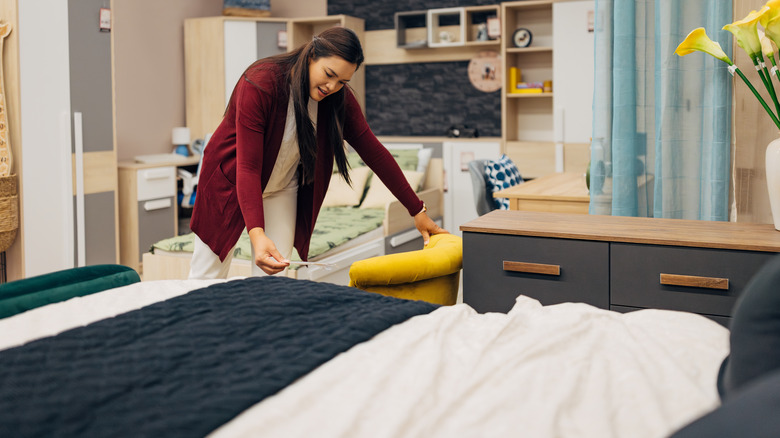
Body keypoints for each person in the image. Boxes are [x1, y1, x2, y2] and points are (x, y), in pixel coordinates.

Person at [188, 27, 446, 279]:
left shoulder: (338, 99)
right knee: (206, 276)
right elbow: (248, 168)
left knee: (274, 279)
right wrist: (257, 234)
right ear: (312, 55)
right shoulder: (261, 82)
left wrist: (417, 211)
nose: (332, 86)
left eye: (342, 81)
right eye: (329, 74)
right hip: (230, 181)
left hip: (281, 189)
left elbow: (375, 153)